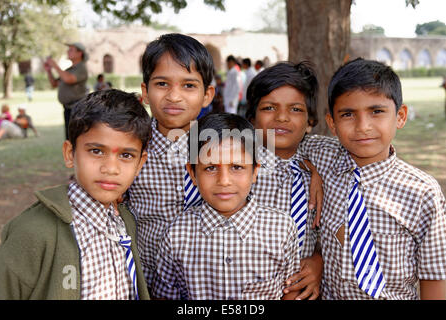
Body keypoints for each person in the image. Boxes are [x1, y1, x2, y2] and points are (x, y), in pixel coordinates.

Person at [300, 58, 446, 300]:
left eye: (376, 111)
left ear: (400, 116)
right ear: (332, 124)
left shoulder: (422, 192)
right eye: (348, 114)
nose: (363, 126)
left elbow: (434, 276)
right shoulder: (324, 157)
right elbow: (278, 144)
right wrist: (311, 169)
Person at [0, 89, 151, 300]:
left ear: (140, 164)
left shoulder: (126, 221)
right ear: (70, 154)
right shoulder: (32, 231)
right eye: (96, 151)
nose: (110, 168)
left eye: (126, 155)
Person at [152, 113, 300, 300]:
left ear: (255, 171)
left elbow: (291, 290)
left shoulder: (282, 229)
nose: (224, 181)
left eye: (237, 167)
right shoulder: (176, 234)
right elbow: (164, 296)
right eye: (210, 168)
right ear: (192, 172)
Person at [128, 33, 215, 291]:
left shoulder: (224, 147)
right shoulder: (129, 150)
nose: (174, 96)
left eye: (188, 85)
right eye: (162, 84)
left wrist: (311, 170)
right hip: (147, 282)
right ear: (145, 91)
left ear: (207, 94)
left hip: (210, 282)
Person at [245, 61, 323, 300]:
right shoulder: (237, 171)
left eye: (296, 109)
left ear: (310, 122)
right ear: (252, 118)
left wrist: (318, 262)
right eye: (269, 108)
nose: (282, 117)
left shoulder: (322, 168)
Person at [44, 42, 88, 140]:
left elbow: (69, 79)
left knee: (75, 138)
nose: (68, 52)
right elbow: (54, 84)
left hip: (77, 109)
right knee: (70, 138)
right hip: (69, 108)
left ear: (79, 53)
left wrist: (55, 66)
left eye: (71, 50)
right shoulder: (69, 70)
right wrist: (49, 71)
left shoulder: (81, 68)